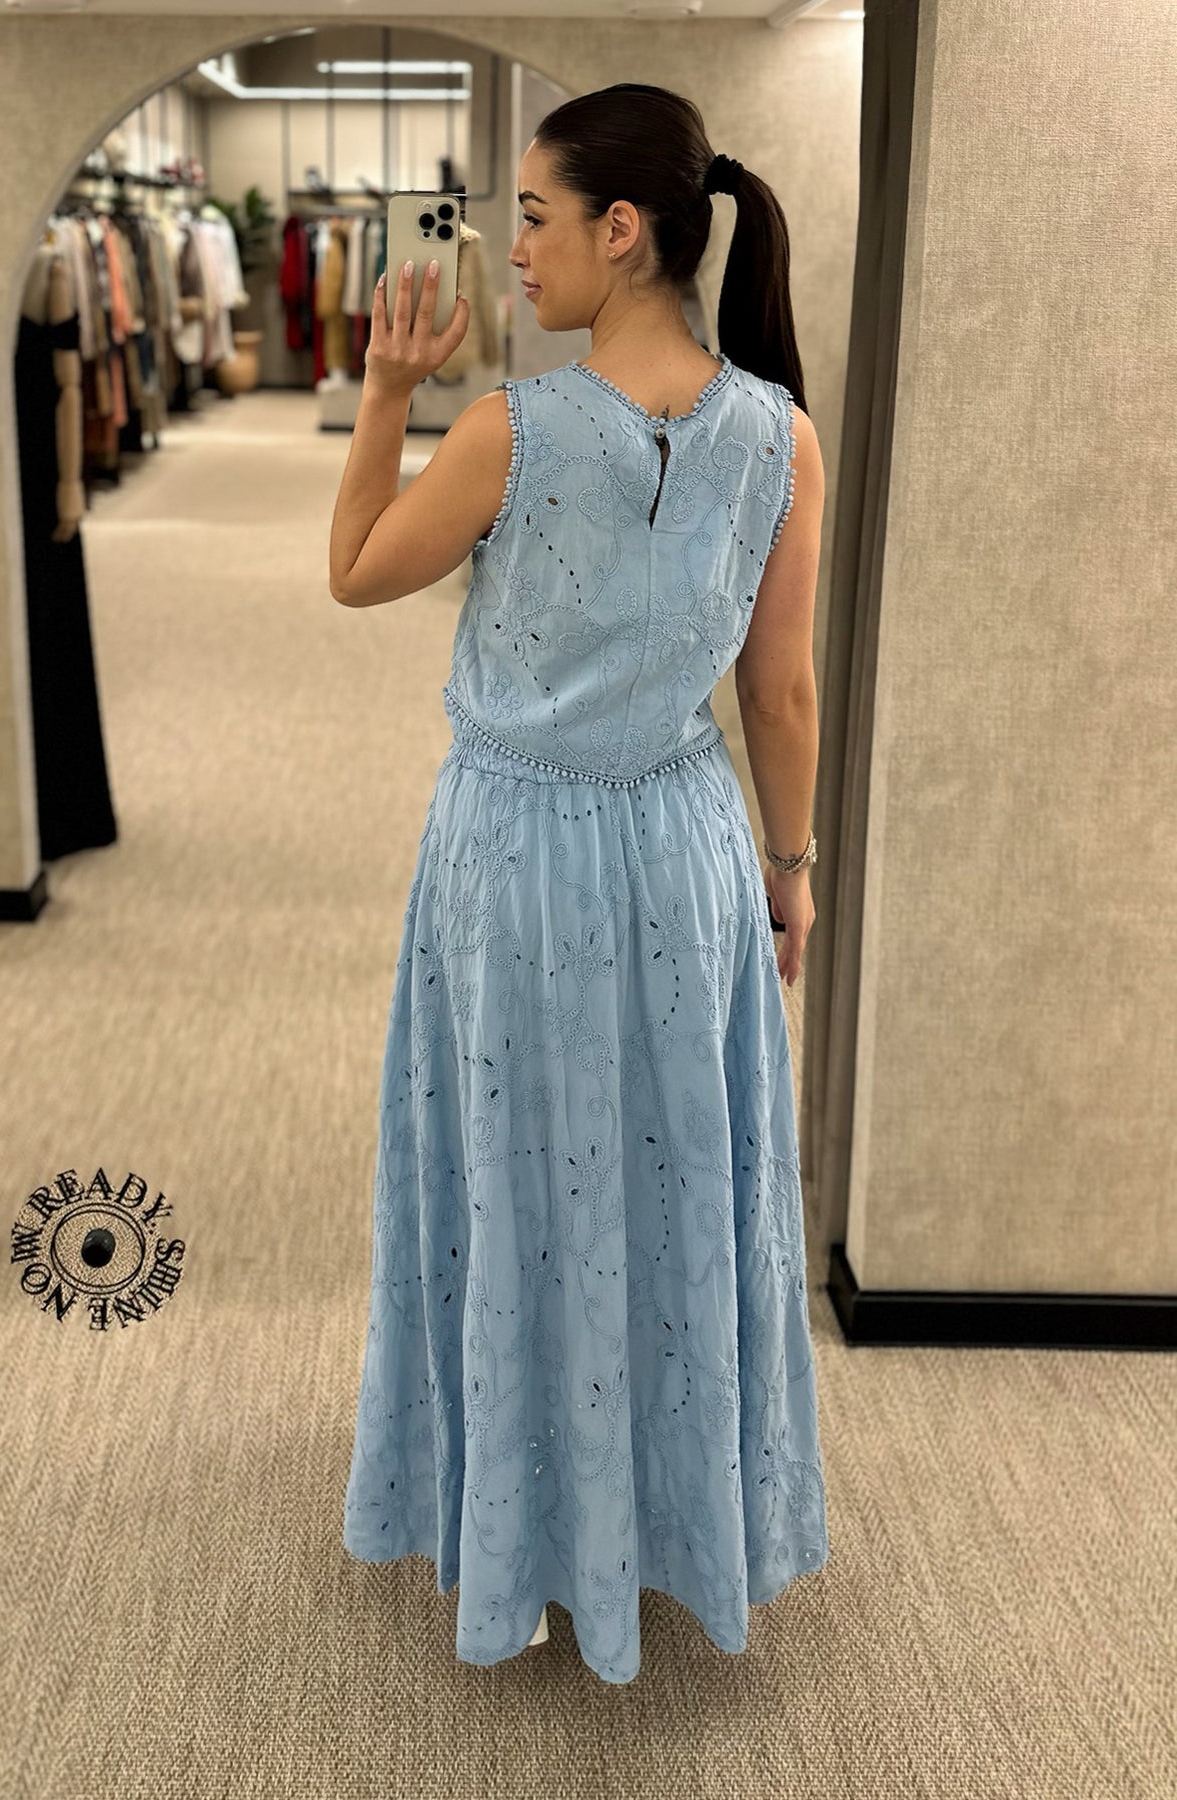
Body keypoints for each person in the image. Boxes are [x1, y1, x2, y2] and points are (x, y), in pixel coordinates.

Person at [334, 82, 829, 1686]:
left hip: (519, 855)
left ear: (623, 231)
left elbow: (357, 570)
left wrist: (385, 391)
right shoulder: (781, 436)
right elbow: (781, 696)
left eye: (537, 219)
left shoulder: (512, 427)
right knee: (670, 1180)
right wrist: (791, 871)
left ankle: (528, 1532)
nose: (517, 250)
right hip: (688, 848)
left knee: (516, 1178)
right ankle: (665, 1518)